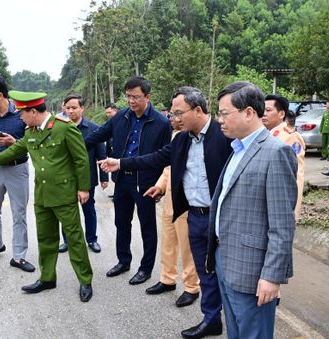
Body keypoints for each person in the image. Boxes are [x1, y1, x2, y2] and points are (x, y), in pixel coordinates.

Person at [99, 86, 232, 339]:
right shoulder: (181, 139)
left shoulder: (223, 136)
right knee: (206, 272)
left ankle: (238, 322)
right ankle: (212, 319)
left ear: (198, 110)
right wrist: (121, 163)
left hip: (223, 217)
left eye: (179, 114)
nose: (174, 119)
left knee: (229, 274)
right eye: (172, 113)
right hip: (195, 215)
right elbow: (155, 158)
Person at [0, 90, 94, 302]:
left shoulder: (64, 128)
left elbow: (81, 160)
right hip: (42, 195)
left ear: (33, 111)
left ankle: (85, 280)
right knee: (46, 239)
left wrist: (83, 188)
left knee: (75, 239)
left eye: (22, 113)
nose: (19, 117)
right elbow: (15, 150)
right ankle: (47, 277)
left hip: (64, 194)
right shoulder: (30, 132)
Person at [206, 81, 297, 339]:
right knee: (235, 331)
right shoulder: (237, 148)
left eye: (224, 113)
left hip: (253, 269)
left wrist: (271, 276)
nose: (219, 120)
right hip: (226, 258)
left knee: (253, 334)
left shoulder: (276, 152)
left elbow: (282, 223)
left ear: (248, 113)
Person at [85, 76, 171, 285]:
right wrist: (72, 146)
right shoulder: (121, 116)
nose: (131, 101)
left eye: (136, 97)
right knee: (121, 222)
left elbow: (164, 156)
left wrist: (160, 184)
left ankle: (146, 269)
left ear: (148, 97)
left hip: (145, 181)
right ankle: (123, 261)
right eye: (128, 97)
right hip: (122, 179)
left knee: (147, 227)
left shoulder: (161, 123)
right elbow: (98, 135)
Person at [0, 75, 35, 273]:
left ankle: (19, 256)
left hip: (17, 169)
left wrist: (14, 142)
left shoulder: (21, 114)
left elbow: (32, 144)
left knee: (19, 213)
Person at [144, 112, 200, 309]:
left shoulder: (201, 140)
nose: (173, 119)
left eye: (177, 114)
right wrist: (159, 186)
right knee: (168, 242)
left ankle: (192, 287)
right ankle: (167, 279)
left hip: (186, 202)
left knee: (187, 248)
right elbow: (168, 168)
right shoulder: (177, 137)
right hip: (170, 200)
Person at [58, 95, 108, 254]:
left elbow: (101, 154)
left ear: (82, 109)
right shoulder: (58, 127)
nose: (71, 111)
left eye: (74, 108)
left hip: (87, 177)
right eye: (68, 108)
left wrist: (104, 177)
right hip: (64, 177)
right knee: (66, 211)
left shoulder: (93, 129)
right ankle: (67, 241)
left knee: (89, 209)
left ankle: (92, 239)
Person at [263, 94, 306, 219]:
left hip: (279, 204)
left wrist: (293, 211)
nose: (264, 113)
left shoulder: (290, 137)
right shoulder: (262, 134)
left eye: (268, 110)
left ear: (281, 114)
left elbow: (297, 176)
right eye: (262, 109)